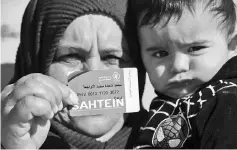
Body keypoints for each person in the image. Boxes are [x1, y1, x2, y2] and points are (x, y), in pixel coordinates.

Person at [1, 0, 147, 149]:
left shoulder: (163, 137)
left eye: (113, 58)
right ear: (35, 64)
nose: (94, 74)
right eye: (71, 57)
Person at [126, 0, 237, 148]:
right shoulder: (163, 106)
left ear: (232, 45)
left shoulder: (226, 99)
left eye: (195, 48)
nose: (178, 66)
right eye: (160, 53)